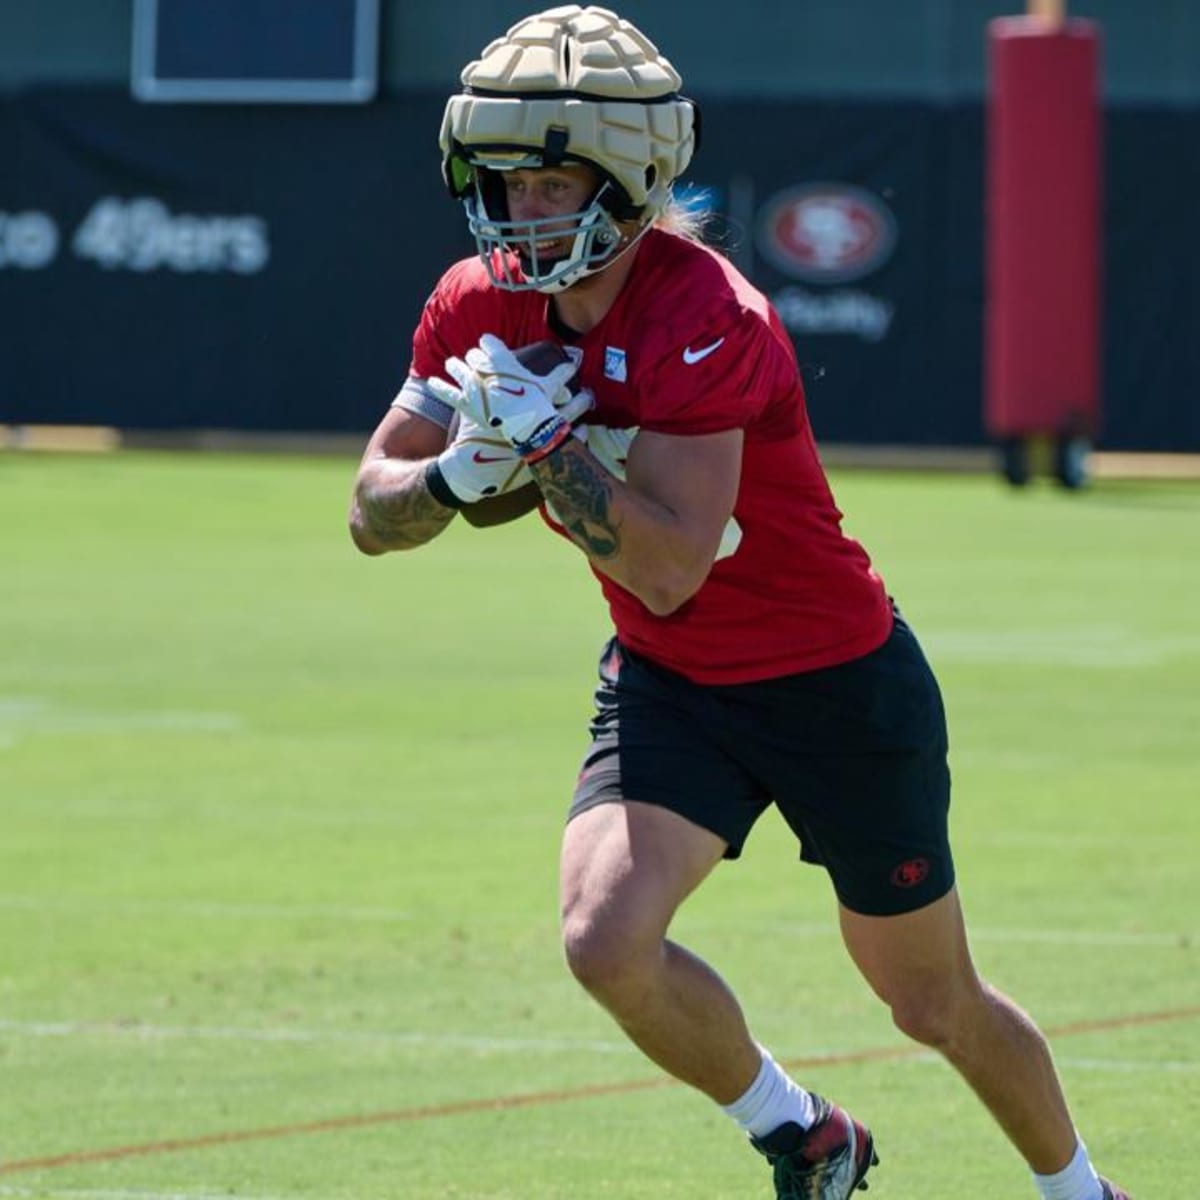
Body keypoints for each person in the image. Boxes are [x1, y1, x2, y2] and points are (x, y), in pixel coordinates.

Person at [348, 7, 1131, 1198]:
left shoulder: (709, 314)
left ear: (625, 179)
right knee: (603, 941)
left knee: (930, 1000)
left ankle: (1083, 1191)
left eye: (550, 181)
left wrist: (545, 444)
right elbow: (370, 510)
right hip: (671, 678)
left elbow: (670, 560)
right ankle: (801, 1131)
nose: (519, 214)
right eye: (502, 185)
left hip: (832, 683)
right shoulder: (476, 299)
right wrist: (459, 472)